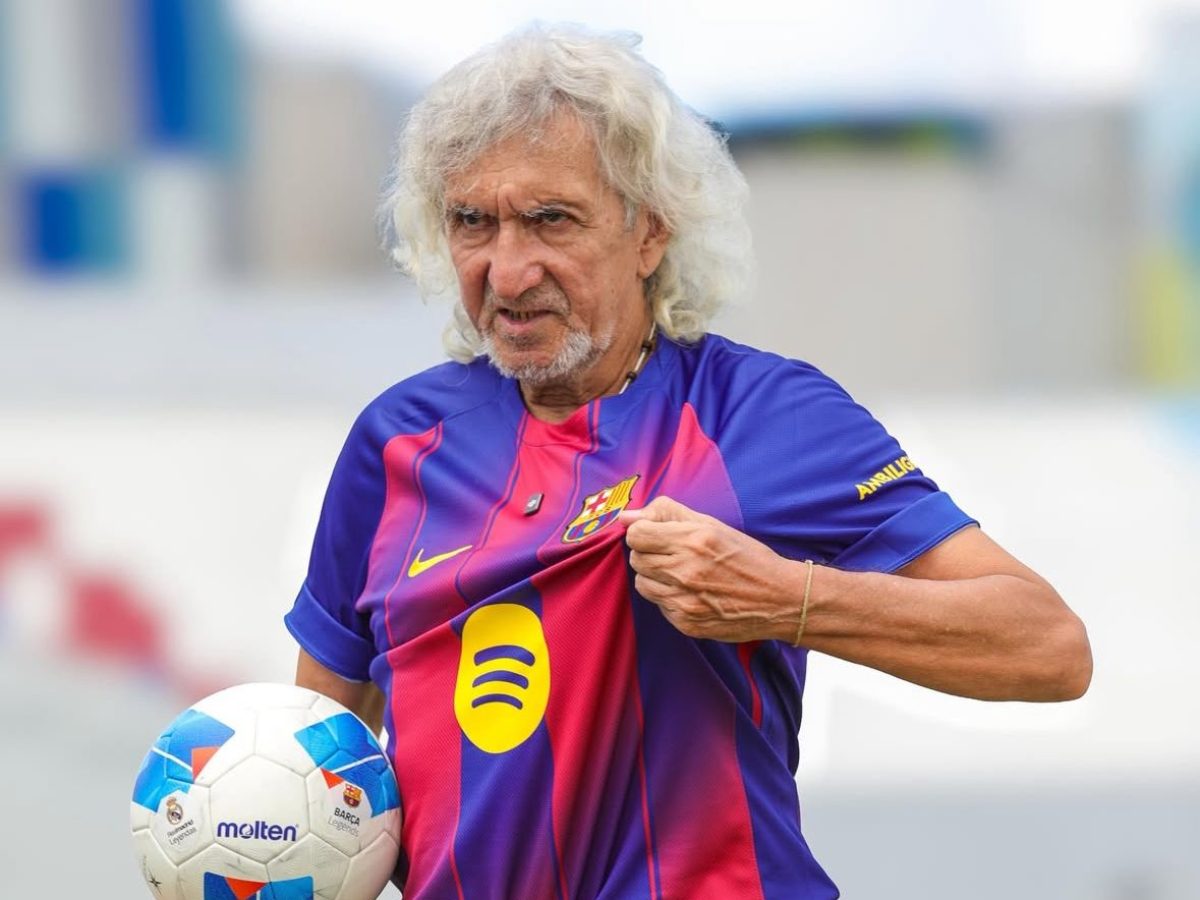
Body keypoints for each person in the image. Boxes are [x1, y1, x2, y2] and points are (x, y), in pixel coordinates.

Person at [285, 24, 1091, 899]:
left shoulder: (763, 416)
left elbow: (1046, 645)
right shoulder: (396, 443)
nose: (508, 271)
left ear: (650, 234)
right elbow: (315, 757)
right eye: (473, 223)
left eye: (551, 220)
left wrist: (788, 599)